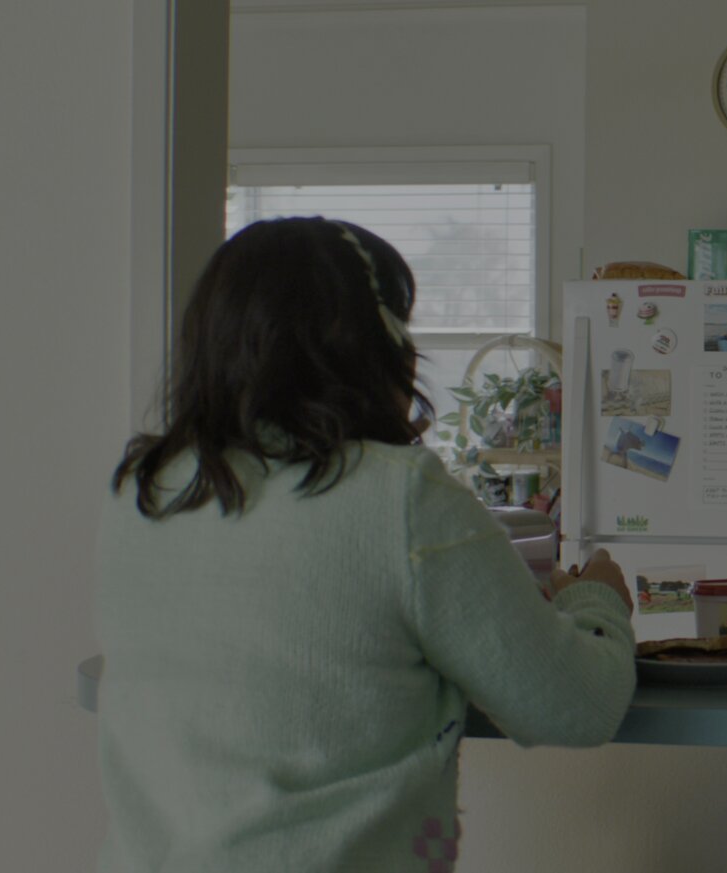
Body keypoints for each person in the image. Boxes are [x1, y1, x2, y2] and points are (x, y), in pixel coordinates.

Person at [95, 217, 637, 872]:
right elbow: (575, 707)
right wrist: (597, 600)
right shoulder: (400, 496)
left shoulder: (147, 489)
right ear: (376, 347)